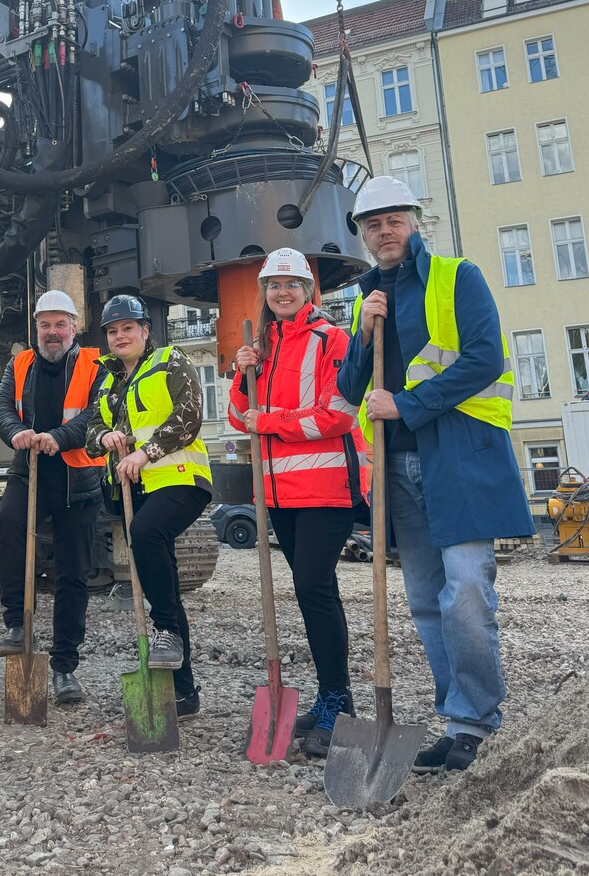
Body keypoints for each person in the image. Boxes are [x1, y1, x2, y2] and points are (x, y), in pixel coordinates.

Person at [337, 176, 534, 773]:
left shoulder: (457, 277)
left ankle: (475, 719)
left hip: (459, 455)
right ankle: (457, 720)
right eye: (373, 225)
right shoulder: (364, 299)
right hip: (397, 465)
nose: (384, 232)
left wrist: (407, 404)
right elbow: (350, 389)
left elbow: (484, 357)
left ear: (414, 222)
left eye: (393, 220)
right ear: (363, 235)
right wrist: (362, 335)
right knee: (425, 599)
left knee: (466, 590)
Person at [228, 248, 366, 758]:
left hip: (327, 489)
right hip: (278, 493)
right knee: (315, 592)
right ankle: (336, 698)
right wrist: (242, 375)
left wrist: (270, 422)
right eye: (274, 285)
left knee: (312, 587)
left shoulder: (333, 340)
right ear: (265, 293)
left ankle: (335, 701)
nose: (282, 292)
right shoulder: (261, 346)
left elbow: (338, 415)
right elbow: (239, 417)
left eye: (291, 284)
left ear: (309, 291)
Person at [86, 294, 212, 720]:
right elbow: (91, 431)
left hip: (179, 478)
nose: (120, 336)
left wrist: (145, 451)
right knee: (164, 584)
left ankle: (166, 629)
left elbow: (189, 416)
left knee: (145, 534)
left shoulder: (170, 361)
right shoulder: (107, 382)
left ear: (144, 330)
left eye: (128, 328)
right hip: (131, 489)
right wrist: (104, 437)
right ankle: (184, 693)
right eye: (112, 330)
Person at [0, 290, 106, 706]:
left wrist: (59, 437)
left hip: (78, 479)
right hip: (29, 470)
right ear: (36, 329)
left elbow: (98, 413)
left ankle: (64, 667)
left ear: (74, 327)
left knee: (73, 573)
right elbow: (1, 405)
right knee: (9, 524)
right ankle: (16, 624)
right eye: (45, 325)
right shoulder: (19, 364)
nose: (52, 332)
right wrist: (15, 433)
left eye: (60, 324)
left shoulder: (96, 364)